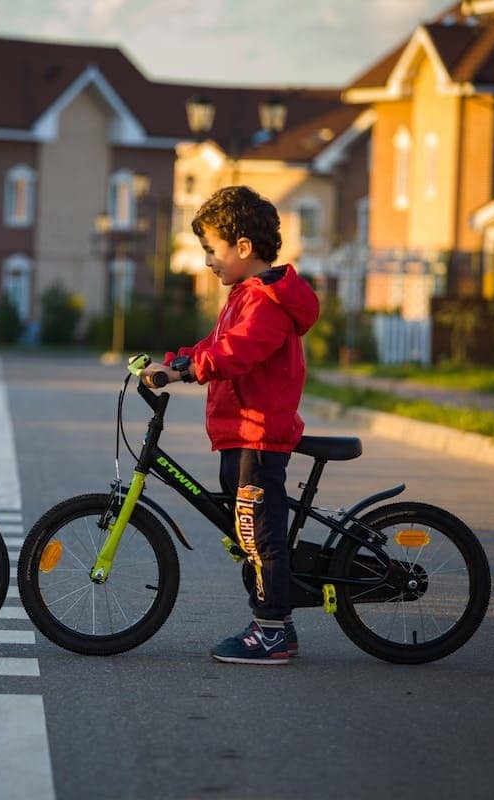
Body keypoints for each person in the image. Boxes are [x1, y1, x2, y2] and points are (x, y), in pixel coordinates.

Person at [141, 185, 319, 666]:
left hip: (258, 437)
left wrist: (188, 371)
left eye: (211, 250)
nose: (206, 262)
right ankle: (276, 620)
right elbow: (217, 342)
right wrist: (178, 360)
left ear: (243, 247)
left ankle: (272, 631)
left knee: (260, 534)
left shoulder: (267, 302)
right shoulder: (246, 295)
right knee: (248, 535)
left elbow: (237, 352)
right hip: (240, 433)